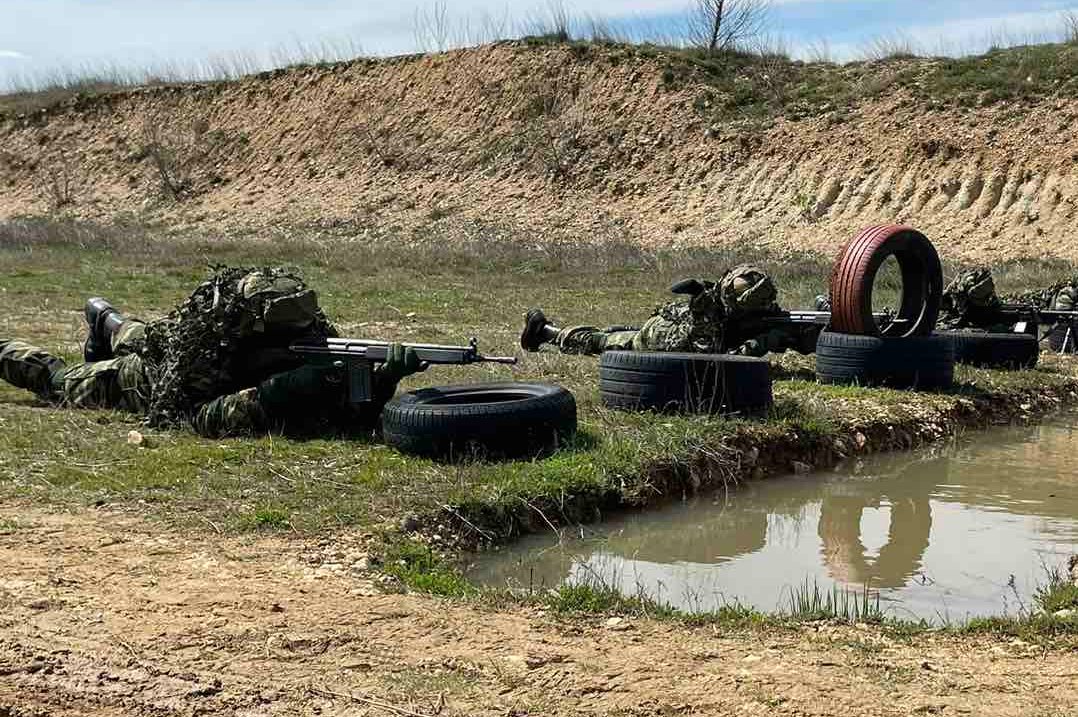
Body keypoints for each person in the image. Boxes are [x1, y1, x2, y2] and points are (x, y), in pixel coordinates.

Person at [0, 266, 424, 437]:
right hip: (146, 380)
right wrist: (271, 394)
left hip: (165, 346)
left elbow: (347, 419)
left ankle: (106, 321)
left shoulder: (312, 336)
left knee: (141, 335)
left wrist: (385, 378)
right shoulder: (208, 348)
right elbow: (192, 416)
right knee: (58, 381)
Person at [520, 265, 820, 358]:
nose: (768, 309)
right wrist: (763, 343)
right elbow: (719, 361)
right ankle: (546, 331)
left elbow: (781, 326)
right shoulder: (708, 318)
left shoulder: (746, 304)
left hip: (681, 324)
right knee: (608, 342)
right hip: (664, 337)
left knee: (620, 331)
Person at [937, 265, 1078, 329]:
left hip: (1029, 302)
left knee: (1015, 302)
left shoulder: (1071, 293)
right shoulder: (1070, 292)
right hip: (1027, 302)